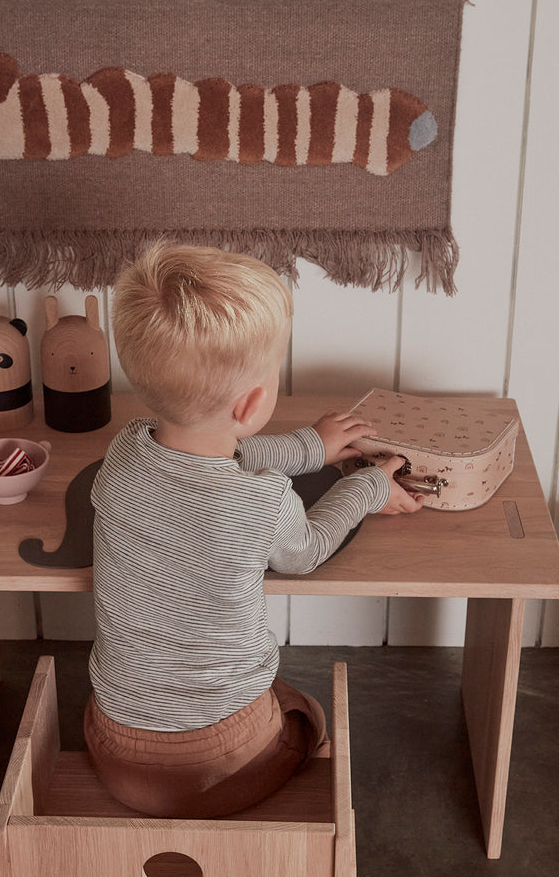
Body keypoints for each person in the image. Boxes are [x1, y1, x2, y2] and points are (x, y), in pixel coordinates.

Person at [84, 241, 422, 817]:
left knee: (259, 695)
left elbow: (224, 452)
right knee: (306, 714)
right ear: (253, 404)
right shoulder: (259, 501)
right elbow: (305, 550)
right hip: (213, 764)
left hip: (113, 743)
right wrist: (369, 488)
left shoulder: (125, 450)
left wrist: (309, 447)